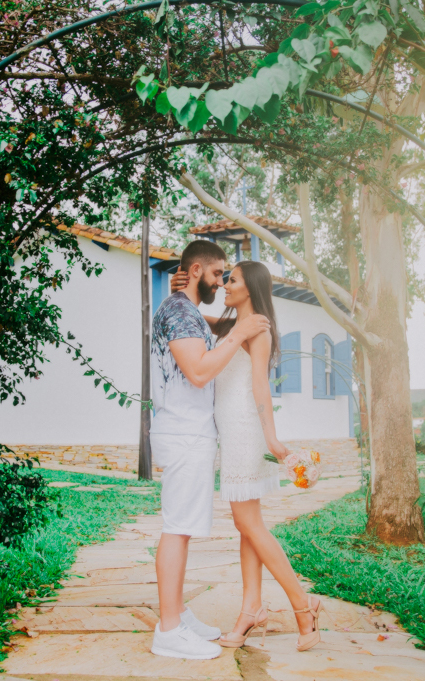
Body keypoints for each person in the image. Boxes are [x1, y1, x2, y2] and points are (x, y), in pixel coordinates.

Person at [170, 260, 324, 652]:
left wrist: (272, 437)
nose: (224, 285)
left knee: (249, 523)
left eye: (232, 280)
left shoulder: (258, 330)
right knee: (247, 525)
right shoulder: (233, 327)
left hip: (245, 432)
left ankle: (302, 605)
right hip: (231, 432)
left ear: (250, 288)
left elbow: (260, 386)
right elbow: (197, 319)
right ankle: (251, 609)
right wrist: (179, 291)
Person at [148, 240, 270, 660]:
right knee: (177, 527)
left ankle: (178, 614)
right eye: (218, 274)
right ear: (198, 270)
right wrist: (238, 333)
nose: (221, 282)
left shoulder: (187, 311)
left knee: (182, 527)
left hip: (191, 432)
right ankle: (168, 630)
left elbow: (207, 332)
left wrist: (233, 328)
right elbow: (199, 372)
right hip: (184, 433)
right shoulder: (181, 312)